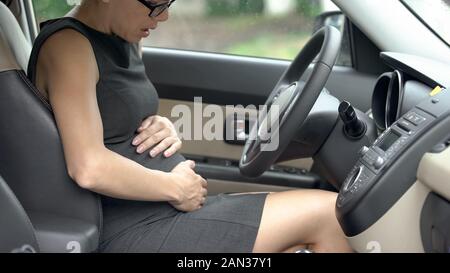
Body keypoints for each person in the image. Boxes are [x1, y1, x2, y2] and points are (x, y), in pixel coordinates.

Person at [27, 0, 352, 253]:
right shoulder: (69, 46)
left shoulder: (123, 36)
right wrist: (174, 187)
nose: (164, 16)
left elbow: (116, 115)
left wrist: (161, 124)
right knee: (328, 216)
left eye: (169, 3)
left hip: (162, 211)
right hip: (128, 227)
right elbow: (89, 166)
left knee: (300, 234)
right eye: (156, 4)